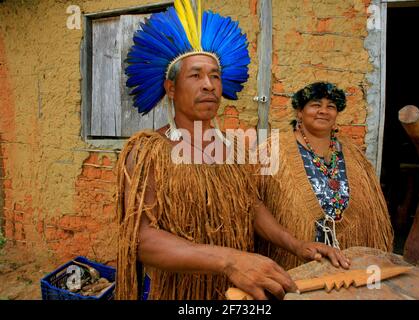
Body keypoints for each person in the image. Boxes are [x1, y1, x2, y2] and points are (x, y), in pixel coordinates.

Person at [115, 2, 349, 300]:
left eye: (215, 76)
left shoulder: (233, 148)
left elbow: (250, 207)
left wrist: (296, 244)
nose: (209, 85)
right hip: (178, 294)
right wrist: (229, 260)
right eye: (195, 76)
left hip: (237, 293)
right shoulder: (149, 151)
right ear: (171, 88)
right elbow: (142, 238)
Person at [257, 82, 394, 271]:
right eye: (315, 105)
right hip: (295, 261)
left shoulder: (352, 153)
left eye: (331, 106)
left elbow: (374, 208)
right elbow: (254, 203)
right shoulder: (272, 150)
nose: (323, 111)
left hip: (348, 264)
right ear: (299, 112)